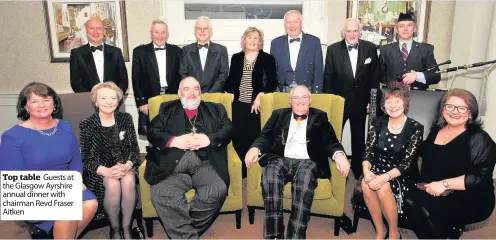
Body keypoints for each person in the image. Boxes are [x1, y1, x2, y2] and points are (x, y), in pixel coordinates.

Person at [244, 85, 350, 239]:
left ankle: (295, 236)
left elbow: (330, 141)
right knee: (269, 176)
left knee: (304, 181)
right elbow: (265, 136)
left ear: (310, 100)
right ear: (290, 101)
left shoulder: (320, 116)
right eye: (296, 97)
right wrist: (255, 148)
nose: (300, 101)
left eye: (304, 97)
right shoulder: (278, 114)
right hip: (280, 158)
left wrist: (339, 155)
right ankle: (274, 235)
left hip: (307, 161)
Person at [0, 82, 98, 239]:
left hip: (66, 185)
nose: (41, 105)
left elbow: (75, 160)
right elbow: (12, 180)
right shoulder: (12, 137)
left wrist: (77, 178)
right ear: (26, 107)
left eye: (46, 100)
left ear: (54, 103)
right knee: (68, 209)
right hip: (31, 191)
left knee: (90, 204)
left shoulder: (65, 127)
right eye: (34, 101)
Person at [145, 77, 232, 239]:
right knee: (162, 193)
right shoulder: (167, 108)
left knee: (217, 189)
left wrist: (209, 139)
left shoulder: (216, 109)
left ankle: (183, 232)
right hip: (173, 166)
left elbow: (228, 128)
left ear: (201, 91)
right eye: (186, 89)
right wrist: (174, 141)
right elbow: (153, 131)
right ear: (179, 92)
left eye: (196, 88)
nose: (192, 93)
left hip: (205, 164)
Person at [407, 89, 496, 239]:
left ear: (470, 113)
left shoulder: (479, 139)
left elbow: (480, 178)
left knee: (425, 208)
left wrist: (445, 184)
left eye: (461, 108)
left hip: (469, 197)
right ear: (442, 109)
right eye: (449, 106)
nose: (455, 112)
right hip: (433, 187)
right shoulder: (437, 130)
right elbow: (424, 150)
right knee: (408, 199)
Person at [358, 87, 423, 239]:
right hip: (378, 168)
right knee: (365, 184)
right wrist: (367, 170)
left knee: (382, 187)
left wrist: (383, 178)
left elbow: (407, 163)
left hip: (402, 174)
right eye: (388, 101)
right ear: (384, 105)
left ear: (405, 103)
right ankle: (380, 230)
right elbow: (369, 150)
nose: (392, 105)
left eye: (397, 101)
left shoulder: (415, 128)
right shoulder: (377, 122)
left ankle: (394, 232)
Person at [79, 82, 140, 239]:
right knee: (112, 184)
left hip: (124, 167)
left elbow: (134, 150)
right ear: (96, 101)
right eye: (104, 97)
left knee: (128, 180)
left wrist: (127, 166)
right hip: (100, 172)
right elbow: (85, 158)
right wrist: (105, 170)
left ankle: (126, 228)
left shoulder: (126, 119)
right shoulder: (87, 124)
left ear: (118, 101)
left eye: (113, 98)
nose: (108, 101)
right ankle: (115, 229)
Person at [324, 18, 381, 179]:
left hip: (361, 102)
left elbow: (374, 77)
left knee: (358, 137)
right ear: (344, 32)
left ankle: (358, 170)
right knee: (333, 135)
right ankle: (333, 168)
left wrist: (372, 100)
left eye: (355, 31)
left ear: (360, 31)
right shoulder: (333, 49)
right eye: (348, 31)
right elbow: (327, 77)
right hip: (339, 102)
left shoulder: (370, 48)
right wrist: (330, 103)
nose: (352, 34)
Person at [224, 27, 278, 177]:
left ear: (260, 42)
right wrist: (229, 92)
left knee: (255, 137)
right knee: (238, 136)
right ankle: (241, 172)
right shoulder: (236, 58)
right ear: (244, 40)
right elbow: (230, 81)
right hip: (239, 105)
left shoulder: (268, 59)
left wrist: (261, 94)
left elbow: (273, 82)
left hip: (257, 105)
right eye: (250, 37)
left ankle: (254, 171)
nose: (253, 41)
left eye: (256, 38)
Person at [132, 19, 182, 136]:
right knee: (152, 132)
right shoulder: (139, 52)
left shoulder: (177, 51)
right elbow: (136, 79)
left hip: (173, 99)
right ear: (151, 33)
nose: (160, 36)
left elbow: (182, 76)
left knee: (172, 131)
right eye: (156, 32)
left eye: (163, 32)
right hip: (150, 99)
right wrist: (142, 102)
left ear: (167, 34)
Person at [379, 12, 440, 90]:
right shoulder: (385, 49)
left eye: (409, 25)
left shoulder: (426, 49)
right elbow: (380, 75)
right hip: (393, 97)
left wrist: (417, 76)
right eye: (401, 26)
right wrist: (395, 84)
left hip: (419, 97)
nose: (405, 29)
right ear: (397, 30)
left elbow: (436, 76)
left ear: (414, 29)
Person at [270, 10, 324, 93]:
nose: (292, 25)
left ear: (301, 23)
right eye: (289, 22)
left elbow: (318, 71)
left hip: (306, 92)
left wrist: (316, 94)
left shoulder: (314, 42)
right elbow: (272, 71)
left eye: (295, 22)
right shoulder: (276, 43)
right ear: (284, 25)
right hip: (282, 91)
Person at [70, 18, 128, 93]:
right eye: (91, 28)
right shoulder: (76, 54)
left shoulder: (116, 52)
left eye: (99, 28)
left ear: (104, 31)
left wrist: (114, 96)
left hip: (114, 101)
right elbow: (75, 82)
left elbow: (123, 80)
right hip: (88, 102)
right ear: (86, 31)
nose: (95, 32)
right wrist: (92, 98)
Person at [179, 16, 229, 93]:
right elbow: (183, 74)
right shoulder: (185, 50)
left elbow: (223, 75)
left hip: (214, 96)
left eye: (205, 28)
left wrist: (210, 94)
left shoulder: (221, 50)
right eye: (199, 28)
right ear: (195, 31)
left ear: (210, 31)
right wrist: (194, 91)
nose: (202, 31)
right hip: (193, 96)